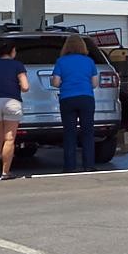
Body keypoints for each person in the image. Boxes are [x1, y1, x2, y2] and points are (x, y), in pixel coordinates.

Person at [0, 39, 31, 180]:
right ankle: (5, 172)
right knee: (9, 139)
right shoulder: (17, 65)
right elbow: (25, 86)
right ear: (12, 51)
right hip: (12, 102)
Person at [51, 35, 99, 173]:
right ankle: (89, 164)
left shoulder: (61, 61)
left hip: (67, 99)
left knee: (69, 133)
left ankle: (69, 166)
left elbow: (55, 82)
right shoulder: (89, 61)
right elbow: (95, 83)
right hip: (86, 98)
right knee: (88, 133)